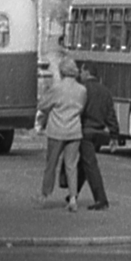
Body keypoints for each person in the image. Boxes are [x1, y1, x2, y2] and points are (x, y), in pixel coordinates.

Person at [37, 57, 87, 210]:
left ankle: (44, 195)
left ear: (62, 71)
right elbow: (82, 108)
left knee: (51, 164)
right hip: (74, 130)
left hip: (57, 130)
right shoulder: (82, 90)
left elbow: (43, 105)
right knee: (71, 166)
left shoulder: (57, 88)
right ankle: (73, 199)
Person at [74, 65, 120, 211]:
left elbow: (77, 111)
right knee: (83, 164)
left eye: (81, 71)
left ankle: (101, 199)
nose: (80, 74)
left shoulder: (82, 89)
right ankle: (73, 194)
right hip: (99, 133)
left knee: (90, 166)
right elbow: (111, 115)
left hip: (85, 131)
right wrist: (114, 134)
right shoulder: (105, 91)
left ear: (87, 72)